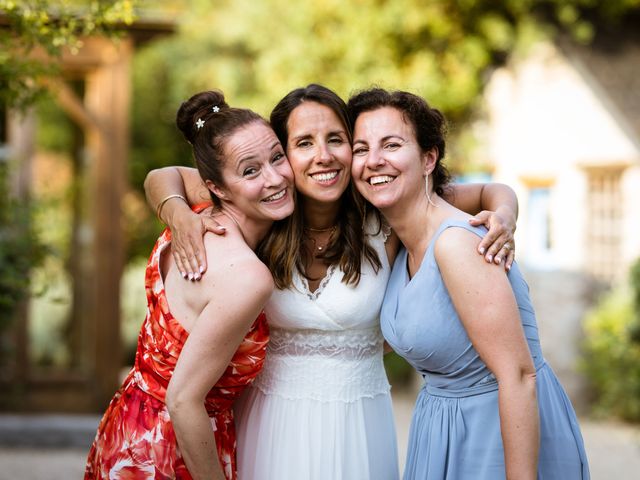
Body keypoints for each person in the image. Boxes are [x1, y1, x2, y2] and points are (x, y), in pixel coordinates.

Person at [144, 84, 519, 480]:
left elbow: (490, 192)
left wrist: (506, 215)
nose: (323, 156)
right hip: (267, 425)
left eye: (336, 139)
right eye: (304, 142)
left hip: (358, 425)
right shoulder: (263, 203)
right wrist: (176, 212)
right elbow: (162, 177)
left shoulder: (382, 209)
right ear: (284, 155)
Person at [347, 87, 590, 479]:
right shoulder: (396, 238)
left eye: (391, 145)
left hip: (494, 432)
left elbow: (518, 376)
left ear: (428, 158)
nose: (374, 161)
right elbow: (488, 192)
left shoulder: (457, 243)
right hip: (442, 430)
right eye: (361, 149)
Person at [85, 90, 295, 480]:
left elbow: (161, 177)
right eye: (251, 171)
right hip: (169, 452)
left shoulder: (193, 214)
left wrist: (174, 209)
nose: (275, 177)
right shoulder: (246, 276)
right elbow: (183, 401)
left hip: (128, 425)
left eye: (278, 157)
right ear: (215, 186)